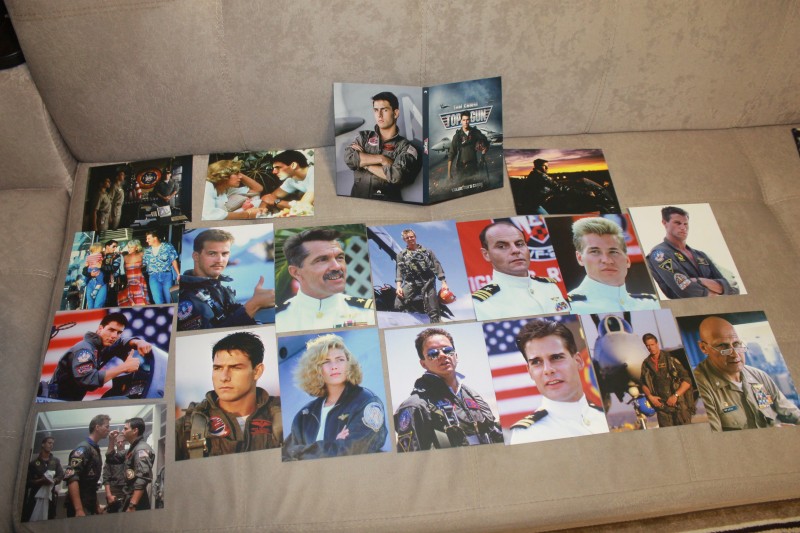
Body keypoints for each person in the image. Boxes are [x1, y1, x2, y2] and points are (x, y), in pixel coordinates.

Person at [175, 331, 282, 459]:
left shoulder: (283, 415)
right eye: (218, 368)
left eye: (235, 367)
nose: (224, 377)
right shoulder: (184, 429)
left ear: (257, 371)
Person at [394, 328, 504, 451]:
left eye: (448, 350)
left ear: (456, 356)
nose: (442, 355)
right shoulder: (415, 406)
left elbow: (494, 434)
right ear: (423, 363)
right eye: (433, 353)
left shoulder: (472, 396)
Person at [283, 334, 387, 460]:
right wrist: (332, 444)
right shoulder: (305, 416)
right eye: (326, 361)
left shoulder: (367, 403)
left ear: (348, 363)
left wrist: (301, 452)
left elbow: (351, 452)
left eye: (340, 359)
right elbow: (286, 456)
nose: (334, 366)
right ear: (316, 369)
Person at [509, 319, 609, 444]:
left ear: (578, 361)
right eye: (536, 362)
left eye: (556, 357)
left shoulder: (604, 417)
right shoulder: (528, 436)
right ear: (530, 372)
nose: (548, 370)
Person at [694, 316, 800, 431]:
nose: (735, 354)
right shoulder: (699, 386)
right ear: (703, 348)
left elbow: (790, 412)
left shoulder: (759, 376)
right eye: (722, 346)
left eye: (736, 344)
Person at [276, 228, 375, 332]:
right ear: (296, 272)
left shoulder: (369, 314)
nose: (337, 266)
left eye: (339, 257)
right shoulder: (278, 319)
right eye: (322, 259)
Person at [178, 229, 275, 331]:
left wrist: (256, 302)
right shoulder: (184, 298)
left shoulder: (220, 289)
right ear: (196, 256)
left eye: (224, 254)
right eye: (212, 253)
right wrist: (254, 305)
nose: (220, 260)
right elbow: (209, 337)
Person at [471, 221, 569, 320]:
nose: (515, 250)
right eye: (502, 246)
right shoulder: (481, 304)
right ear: (486, 254)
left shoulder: (550, 286)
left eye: (519, 244)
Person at [43, 312, 149, 401]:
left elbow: (121, 342)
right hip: (57, 399)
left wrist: (138, 342)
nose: (114, 336)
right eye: (111, 330)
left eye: (119, 332)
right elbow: (89, 381)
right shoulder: (84, 350)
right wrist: (124, 367)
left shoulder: (102, 347)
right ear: (100, 329)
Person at [567, 217, 659, 313]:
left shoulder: (653, 304)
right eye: (595, 251)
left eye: (613, 252)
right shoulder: (570, 307)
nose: (607, 260)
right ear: (580, 258)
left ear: (627, 260)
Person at [646, 206, 740, 299]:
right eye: (677, 223)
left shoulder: (701, 255)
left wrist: (700, 281)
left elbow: (733, 289)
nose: (683, 227)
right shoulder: (659, 254)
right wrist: (718, 290)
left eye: (685, 224)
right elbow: (686, 290)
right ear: (664, 223)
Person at [344, 91, 420, 201]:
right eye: (376, 110)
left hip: (387, 206)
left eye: (384, 110)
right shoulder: (364, 137)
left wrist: (364, 163)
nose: (379, 115)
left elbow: (396, 175)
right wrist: (382, 159)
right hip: (357, 204)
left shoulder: (405, 147)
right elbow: (349, 158)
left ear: (395, 113)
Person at [639, 333, 695, 427]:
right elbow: (643, 384)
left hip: (679, 406)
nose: (650, 348)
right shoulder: (646, 364)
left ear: (657, 344)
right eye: (647, 345)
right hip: (662, 409)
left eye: (652, 344)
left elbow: (687, 381)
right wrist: (650, 397)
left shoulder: (670, 359)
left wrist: (675, 395)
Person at [394, 228, 448, 323]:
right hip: (412, 282)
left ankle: (435, 323)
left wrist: (444, 283)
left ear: (415, 237)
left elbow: (437, 266)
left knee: (434, 311)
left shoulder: (427, 252)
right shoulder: (401, 255)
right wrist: (398, 286)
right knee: (398, 304)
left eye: (411, 237)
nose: (410, 239)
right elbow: (399, 271)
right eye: (407, 238)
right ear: (404, 240)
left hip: (428, 282)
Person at [64, 414, 110, 517]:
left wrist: (96, 506)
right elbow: (72, 477)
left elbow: (91, 484)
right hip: (81, 505)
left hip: (89, 503)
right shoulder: (84, 448)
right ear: (97, 427)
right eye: (106, 426)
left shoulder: (94, 449)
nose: (108, 430)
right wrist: (79, 510)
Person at [22, 436, 64, 522]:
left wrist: (53, 481)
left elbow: (60, 475)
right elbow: (27, 482)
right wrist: (40, 481)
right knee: (32, 519)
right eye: (49, 443)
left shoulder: (55, 461)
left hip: (50, 496)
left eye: (52, 444)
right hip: (35, 496)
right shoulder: (33, 463)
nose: (51, 445)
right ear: (43, 444)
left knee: (49, 518)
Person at [121, 417, 155, 512]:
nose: (122, 431)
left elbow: (143, 476)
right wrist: (111, 440)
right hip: (130, 495)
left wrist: (132, 505)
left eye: (125, 429)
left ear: (135, 431)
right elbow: (111, 458)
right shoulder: (133, 448)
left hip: (137, 501)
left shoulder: (141, 449)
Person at [447, 111, 489, 182]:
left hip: (474, 166)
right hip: (461, 168)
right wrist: (449, 173)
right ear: (461, 121)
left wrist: (483, 153)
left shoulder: (475, 132)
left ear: (469, 120)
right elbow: (451, 154)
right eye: (464, 120)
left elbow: (486, 142)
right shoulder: (457, 136)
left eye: (467, 120)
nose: (465, 122)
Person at [142, 231, 180, 305]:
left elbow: (173, 260)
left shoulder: (168, 246)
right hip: (153, 277)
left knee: (169, 299)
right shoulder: (147, 250)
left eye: (148, 238)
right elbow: (144, 263)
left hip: (167, 276)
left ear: (155, 238)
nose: (146, 240)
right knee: (157, 300)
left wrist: (178, 274)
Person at [117, 239, 150, 306]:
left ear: (137, 248)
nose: (129, 249)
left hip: (139, 280)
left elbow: (147, 264)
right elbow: (122, 270)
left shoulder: (141, 254)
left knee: (141, 300)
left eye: (131, 247)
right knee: (130, 301)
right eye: (128, 247)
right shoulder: (125, 257)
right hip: (129, 281)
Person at [102, 431, 127, 513]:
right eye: (118, 442)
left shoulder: (129, 456)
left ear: (125, 442)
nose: (120, 444)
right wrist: (109, 495)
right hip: (114, 490)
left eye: (122, 441)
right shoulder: (111, 459)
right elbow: (106, 478)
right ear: (115, 443)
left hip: (127, 489)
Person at [83, 243, 107, 309]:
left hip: (94, 281)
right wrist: (90, 274)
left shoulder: (89, 256)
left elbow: (85, 270)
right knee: (92, 306)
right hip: (92, 281)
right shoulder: (100, 256)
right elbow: (84, 271)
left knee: (95, 306)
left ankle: (94, 287)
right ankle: (97, 287)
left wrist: (101, 266)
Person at [100, 239, 122, 307]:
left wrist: (101, 266)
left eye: (116, 247)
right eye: (113, 246)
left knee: (110, 303)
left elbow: (113, 268)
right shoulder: (99, 255)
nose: (115, 248)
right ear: (107, 246)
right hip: (97, 283)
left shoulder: (116, 256)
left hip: (110, 283)